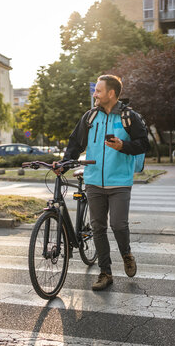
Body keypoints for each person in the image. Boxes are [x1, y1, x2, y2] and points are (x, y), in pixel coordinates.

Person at [54, 74, 150, 291]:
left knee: (118, 224)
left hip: (120, 182)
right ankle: (105, 273)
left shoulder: (129, 117)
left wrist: (123, 146)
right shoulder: (89, 117)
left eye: (98, 90)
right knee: (98, 227)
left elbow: (144, 144)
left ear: (111, 93)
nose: (94, 94)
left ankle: (126, 253)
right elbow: (74, 145)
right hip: (94, 180)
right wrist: (64, 163)